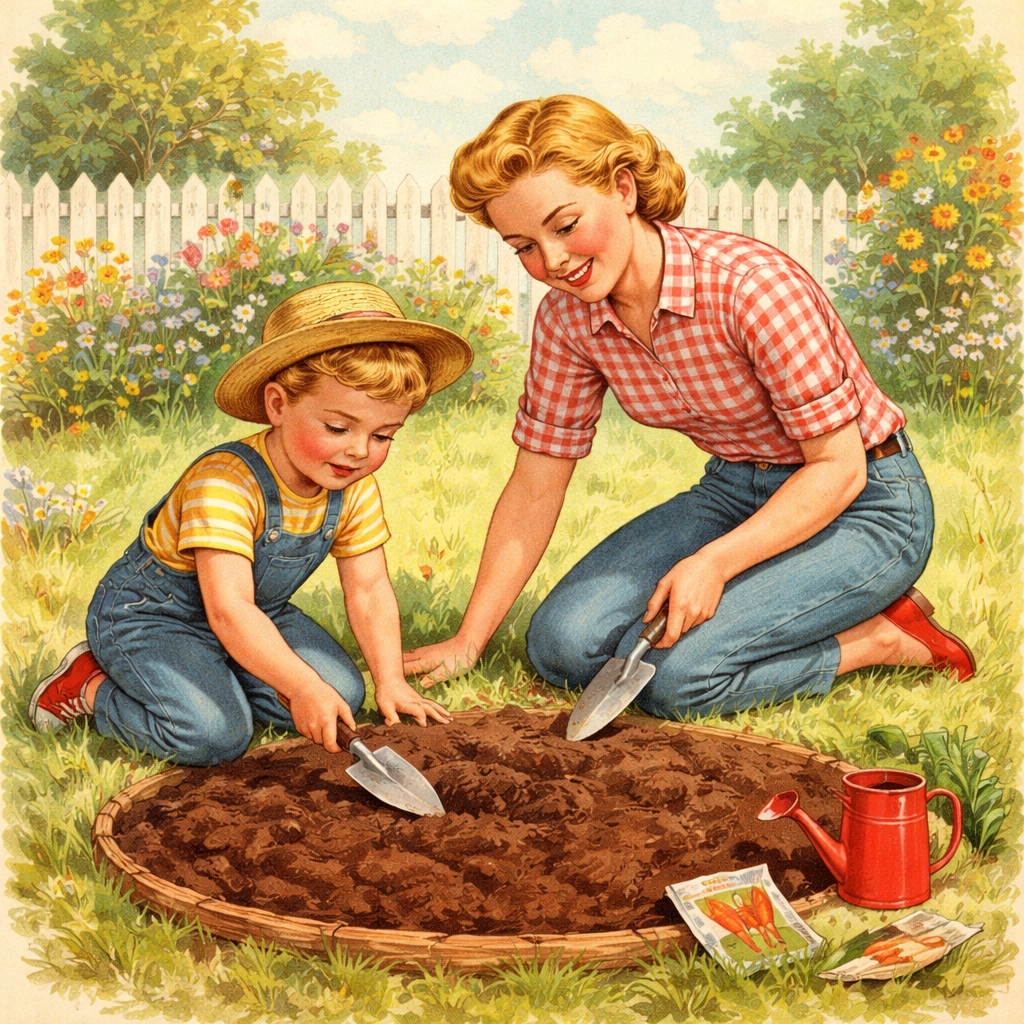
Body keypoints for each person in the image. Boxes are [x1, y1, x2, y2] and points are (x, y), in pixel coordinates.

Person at [404, 94, 975, 720]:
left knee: (674, 680)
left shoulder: (751, 285)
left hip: (865, 503)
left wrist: (713, 564)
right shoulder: (567, 318)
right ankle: (785, 611)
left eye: (565, 226)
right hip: (732, 491)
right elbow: (536, 484)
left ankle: (879, 639)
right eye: (525, 247)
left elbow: (839, 468)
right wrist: (469, 640)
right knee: (561, 647)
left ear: (623, 189)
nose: (553, 261)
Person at [30, 281, 473, 765]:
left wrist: (390, 680)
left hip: (258, 612)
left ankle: (220, 673)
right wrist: (301, 685)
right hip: (155, 615)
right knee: (214, 737)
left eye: (384, 434)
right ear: (278, 405)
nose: (360, 450)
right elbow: (228, 611)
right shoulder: (223, 482)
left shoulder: (353, 484)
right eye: (338, 428)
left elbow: (367, 589)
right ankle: (89, 686)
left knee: (343, 696)